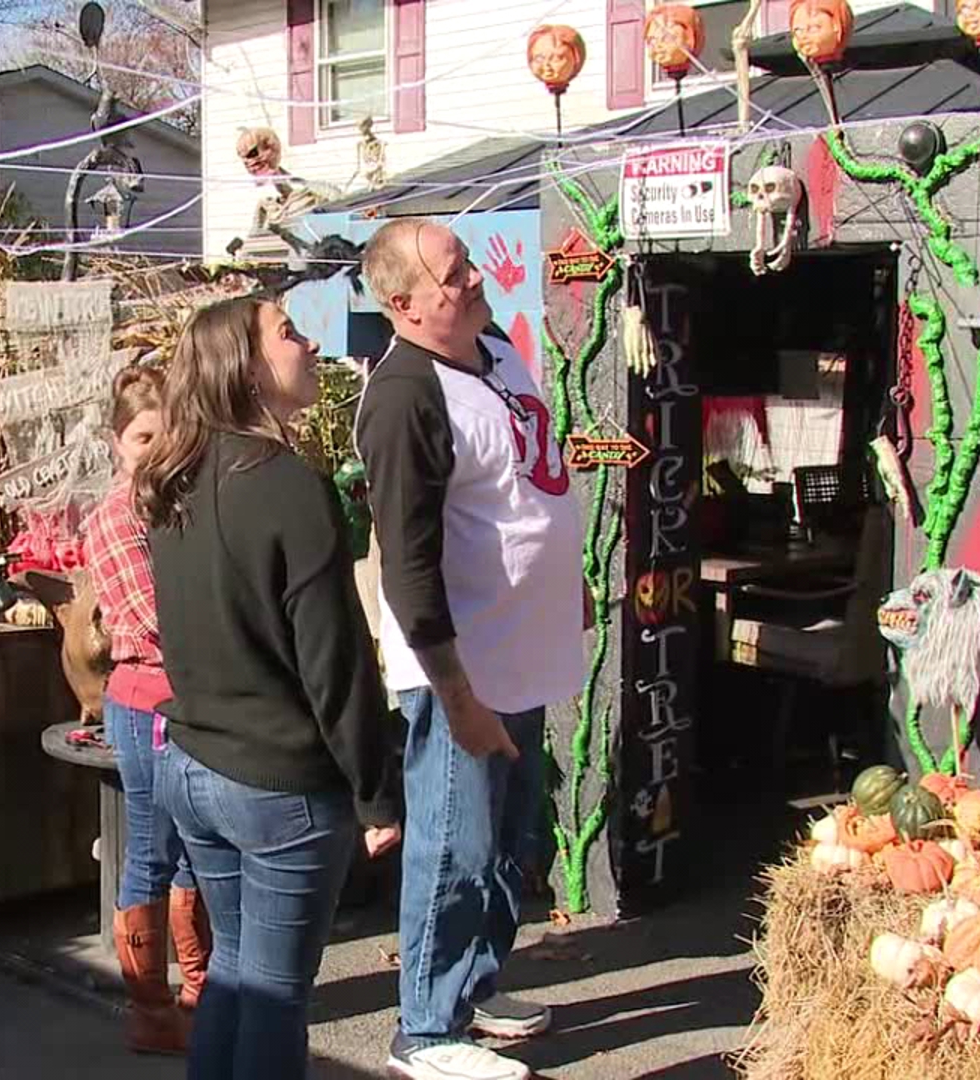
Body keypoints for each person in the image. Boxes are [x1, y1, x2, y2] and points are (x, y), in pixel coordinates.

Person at [135, 297, 403, 1080]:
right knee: (276, 995)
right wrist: (376, 792)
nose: (311, 342)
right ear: (246, 368)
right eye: (288, 332)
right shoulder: (287, 485)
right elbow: (336, 660)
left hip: (196, 767)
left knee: (237, 974)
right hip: (280, 784)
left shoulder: (173, 478)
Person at [357, 219, 587, 1080]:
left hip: (524, 651)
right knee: (452, 843)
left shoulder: (493, 350)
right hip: (462, 669)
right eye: (453, 275)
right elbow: (408, 567)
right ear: (405, 304)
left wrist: (573, 584)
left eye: (467, 265)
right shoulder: (402, 397)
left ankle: (473, 988)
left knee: (504, 837)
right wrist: (456, 694)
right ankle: (424, 1027)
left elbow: (531, 481)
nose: (473, 280)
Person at [81, 363, 212, 1055]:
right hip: (148, 698)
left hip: (195, 698)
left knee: (195, 848)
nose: (156, 451)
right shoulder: (116, 517)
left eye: (168, 437)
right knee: (153, 848)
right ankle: (151, 1010)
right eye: (142, 438)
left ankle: (201, 989)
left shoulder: (184, 505)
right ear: (117, 442)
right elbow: (153, 617)